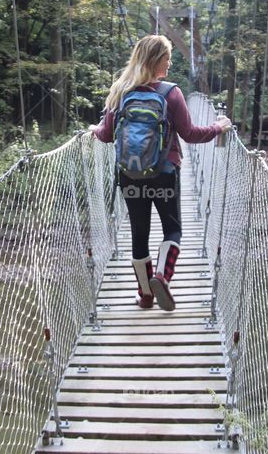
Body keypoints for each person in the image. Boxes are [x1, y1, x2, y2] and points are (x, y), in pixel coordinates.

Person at [90, 35, 232, 311]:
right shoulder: (171, 93)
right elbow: (190, 135)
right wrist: (217, 127)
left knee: (139, 235)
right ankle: (162, 277)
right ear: (157, 60)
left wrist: (94, 130)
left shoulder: (121, 90)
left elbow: (106, 135)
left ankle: (145, 295)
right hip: (165, 173)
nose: (170, 62)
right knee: (173, 230)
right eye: (167, 57)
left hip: (130, 176)